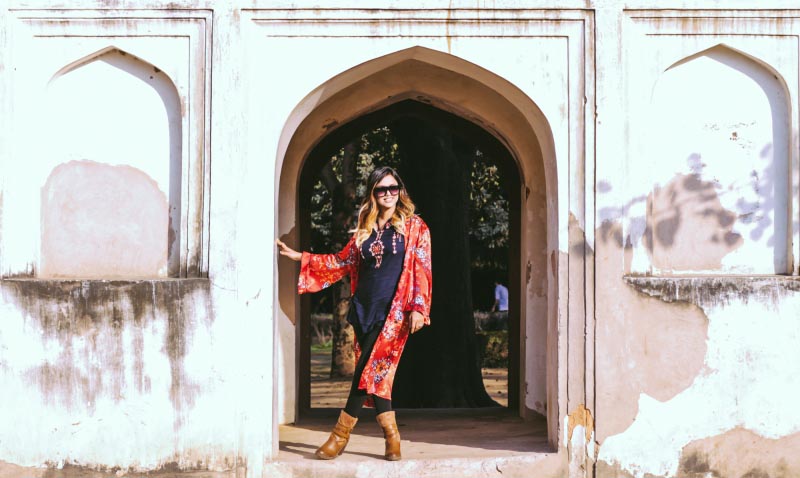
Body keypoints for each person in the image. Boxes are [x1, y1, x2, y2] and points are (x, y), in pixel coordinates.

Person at [276, 166, 432, 461]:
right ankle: (392, 438)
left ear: (400, 191)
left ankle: (339, 436)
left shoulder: (415, 227)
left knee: (366, 371)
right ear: (373, 193)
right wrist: (301, 257)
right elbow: (342, 261)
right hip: (363, 309)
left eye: (393, 188)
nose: (388, 194)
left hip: (394, 312)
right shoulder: (365, 228)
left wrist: (418, 308)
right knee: (376, 374)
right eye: (382, 189)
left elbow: (422, 268)